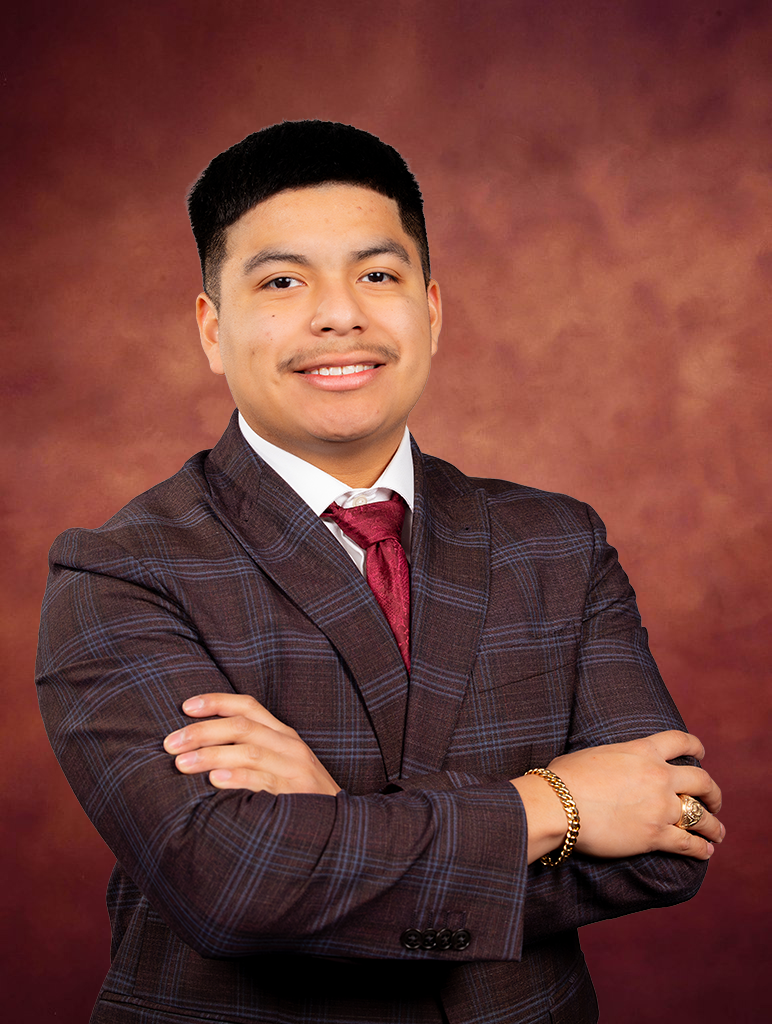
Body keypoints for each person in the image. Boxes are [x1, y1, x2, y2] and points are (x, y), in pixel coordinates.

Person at [36, 120, 724, 1024]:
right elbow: (236, 884)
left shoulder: (557, 540)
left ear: (431, 309)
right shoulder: (121, 571)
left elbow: (668, 837)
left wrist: (331, 822)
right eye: (283, 281)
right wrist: (555, 805)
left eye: (378, 275)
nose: (339, 314)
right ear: (212, 327)